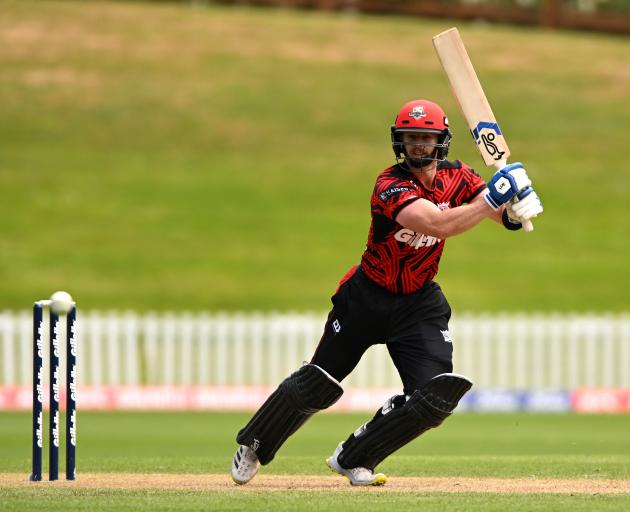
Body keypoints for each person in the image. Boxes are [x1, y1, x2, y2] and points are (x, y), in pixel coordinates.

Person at [230, 99, 543, 486]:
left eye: (425, 138)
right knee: (319, 382)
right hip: (366, 297)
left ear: (441, 141)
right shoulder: (389, 185)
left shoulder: (459, 176)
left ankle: (355, 457)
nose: (417, 146)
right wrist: (494, 198)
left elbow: (489, 210)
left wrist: (513, 211)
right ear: (399, 141)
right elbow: (438, 223)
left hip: (418, 303)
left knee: (433, 397)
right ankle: (255, 444)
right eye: (410, 138)